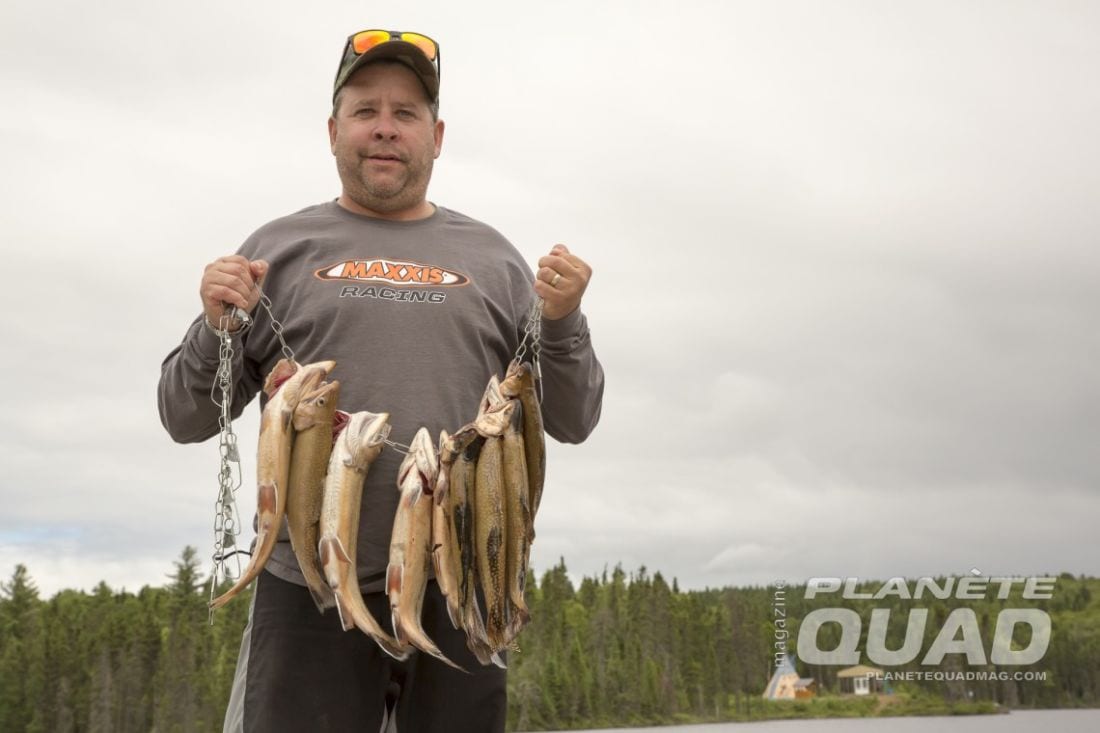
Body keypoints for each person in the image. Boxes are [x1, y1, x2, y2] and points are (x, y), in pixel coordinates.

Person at [157, 29, 604, 733]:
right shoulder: (276, 249)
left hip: (464, 585)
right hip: (307, 590)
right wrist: (213, 326)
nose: (385, 129)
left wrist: (564, 320)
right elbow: (184, 417)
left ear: (437, 136)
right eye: (365, 110)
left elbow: (573, 420)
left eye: (406, 113)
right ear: (334, 131)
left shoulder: (497, 261)